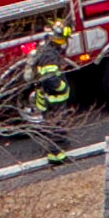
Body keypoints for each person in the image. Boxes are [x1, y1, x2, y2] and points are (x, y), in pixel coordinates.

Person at [25, 19, 73, 167]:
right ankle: (57, 157)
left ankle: (60, 145)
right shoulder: (50, 55)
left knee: (55, 123)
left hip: (46, 96)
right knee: (56, 124)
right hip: (53, 98)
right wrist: (62, 88)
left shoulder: (45, 48)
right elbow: (50, 78)